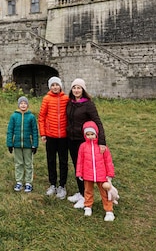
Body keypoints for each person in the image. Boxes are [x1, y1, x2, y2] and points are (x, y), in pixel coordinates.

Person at [65, 78, 107, 209]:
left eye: (79, 88)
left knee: (84, 168)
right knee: (77, 166)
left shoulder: (88, 104)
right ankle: (80, 191)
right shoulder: (70, 103)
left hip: (83, 141)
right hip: (71, 139)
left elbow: (97, 122)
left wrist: (101, 141)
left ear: (83, 90)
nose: (76, 90)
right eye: (74, 88)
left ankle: (85, 196)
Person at [76, 121, 116, 221]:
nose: (90, 136)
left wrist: (110, 174)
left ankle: (109, 211)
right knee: (88, 191)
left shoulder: (102, 147)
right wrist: (79, 173)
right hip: (87, 174)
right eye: (87, 134)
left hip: (101, 175)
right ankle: (88, 207)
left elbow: (108, 161)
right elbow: (80, 161)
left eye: (92, 134)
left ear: (96, 134)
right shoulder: (83, 146)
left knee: (105, 193)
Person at [38, 76, 69, 199]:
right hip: (51, 135)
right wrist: (43, 133)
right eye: (53, 85)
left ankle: (62, 185)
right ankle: (52, 184)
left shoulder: (66, 98)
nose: (55, 87)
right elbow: (41, 117)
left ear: (60, 86)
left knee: (63, 161)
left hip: (64, 136)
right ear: (50, 87)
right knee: (51, 160)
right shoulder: (46, 99)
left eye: (57, 85)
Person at [6, 96, 39, 193]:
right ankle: (19, 181)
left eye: (25, 103)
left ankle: (28, 182)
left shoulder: (31, 117)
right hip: (17, 145)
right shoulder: (14, 116)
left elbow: (35, 132)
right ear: (18, 105)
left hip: (28, 145)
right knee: (18, 163)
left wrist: (35, 144)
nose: (23, 105)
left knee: (28, 164)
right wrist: (9, 143)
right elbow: (10, 130)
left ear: (27, 105)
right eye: (21, 103)